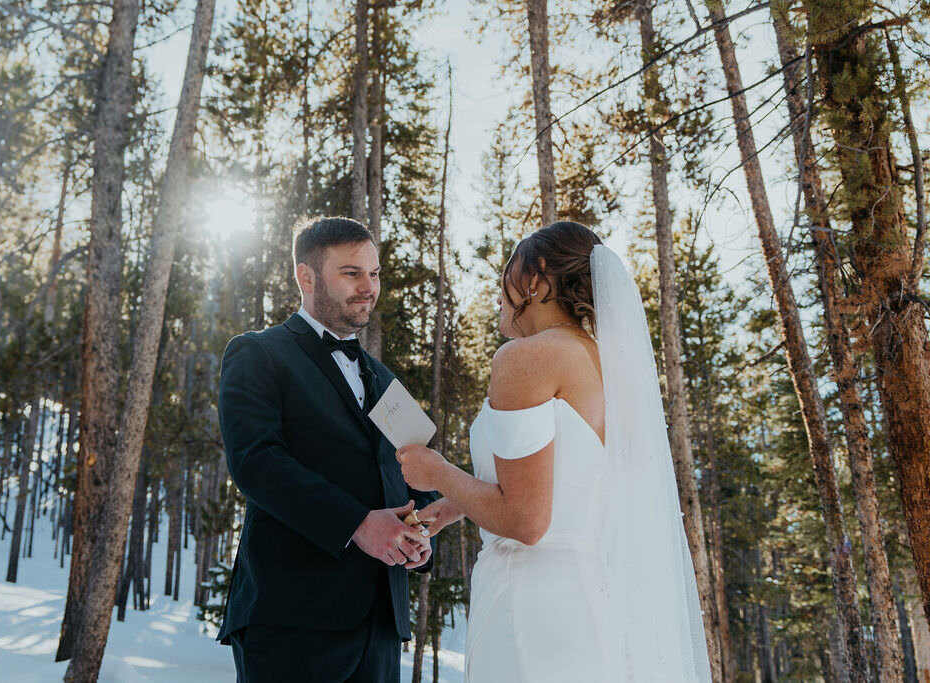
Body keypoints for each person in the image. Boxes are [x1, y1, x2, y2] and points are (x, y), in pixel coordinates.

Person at [397, 221, 711, 681]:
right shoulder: (606, 363)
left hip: (531, 609)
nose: (498, 290)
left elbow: (526, 522)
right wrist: (453, 505)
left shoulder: (525, 358)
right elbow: (569, 483)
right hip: (594, 605)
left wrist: (438, 471)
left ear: (537, 278)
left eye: (508, 271)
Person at [217, 216, 437, 683]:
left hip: (380, 624)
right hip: (290, 617)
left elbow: (418, 477)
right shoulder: (257, 354)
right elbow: (256, 463)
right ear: (306, 277)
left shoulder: (384, 378)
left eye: (374, 273)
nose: (368, 287)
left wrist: (420, 536)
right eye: (351, 273)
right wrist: (357, 524)